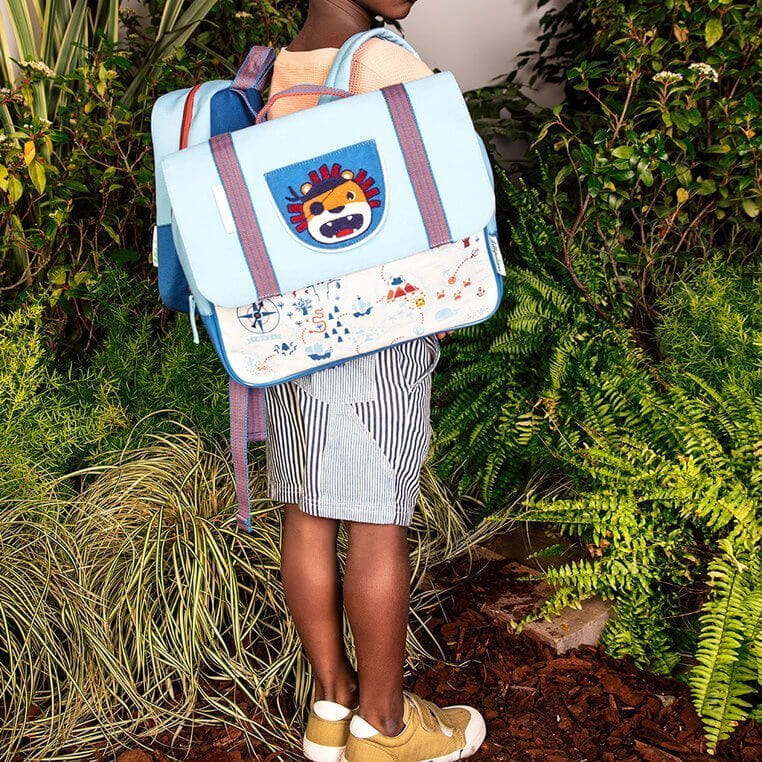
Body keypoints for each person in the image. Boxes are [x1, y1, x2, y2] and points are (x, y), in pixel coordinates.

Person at [264, 1, 487, 760]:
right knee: (378, 522)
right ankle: (385, 726)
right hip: (375, 332)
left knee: (307, 515)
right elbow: (454, 184)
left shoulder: (279, 68)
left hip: (293, 339)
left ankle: (331, 706)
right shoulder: (380, 59)